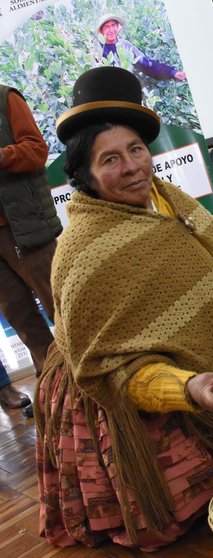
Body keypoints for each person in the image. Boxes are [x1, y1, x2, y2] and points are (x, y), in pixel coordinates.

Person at [35, 66, 213, 550]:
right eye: (111, 159)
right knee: (189, 520)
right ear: (83, 176)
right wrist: (193, 386)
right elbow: (108, 366)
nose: (133, 166)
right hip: (127, 381)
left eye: (136, 149)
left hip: (198, 360)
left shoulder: (164, 196)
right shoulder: (83, 251)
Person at [0, 83, 62, 396]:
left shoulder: (5, 98)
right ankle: (60, 392)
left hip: (24, 227)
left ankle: (98, 384)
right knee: (20, 318)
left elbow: (37, 150)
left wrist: (1, 155)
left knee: (61, 307)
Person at [96, 13, 187, 82]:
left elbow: (147, 65)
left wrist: (173, 73)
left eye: (113, 25)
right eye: (107, 27)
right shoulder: (96, 50)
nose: (111, 30)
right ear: (101, 30)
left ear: (117, 27)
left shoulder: (125, 45)